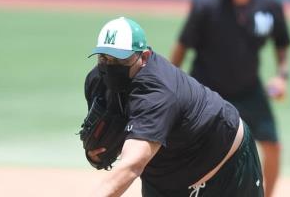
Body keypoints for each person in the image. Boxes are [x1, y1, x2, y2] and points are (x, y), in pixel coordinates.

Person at [84, 17, 264, 197]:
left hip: (225, 165)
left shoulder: (157, 92)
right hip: (166, 177)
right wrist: (97, 153)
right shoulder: (96, 82)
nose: (110, 66)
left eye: (120, 60)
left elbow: (132, 165)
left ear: (144, 56)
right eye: (104, 58)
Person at [170, 0, 290, 196]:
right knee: (195, 149)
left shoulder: (270, 6)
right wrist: (173, 84)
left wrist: (281, 76)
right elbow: (182, 46)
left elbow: (282, 42)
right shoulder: (206, 5)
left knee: (273, 146)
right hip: (207, 91)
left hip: (248, 89)